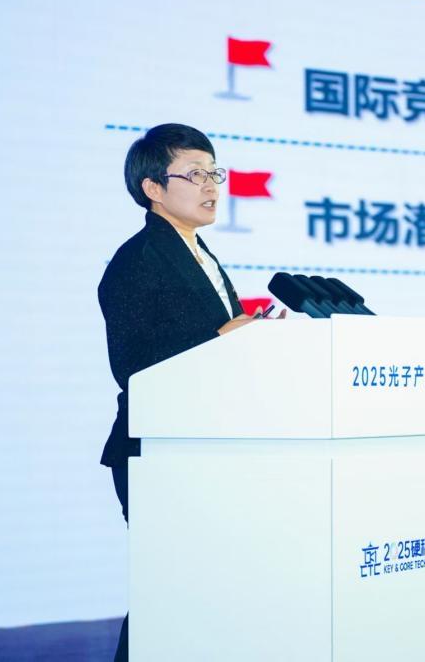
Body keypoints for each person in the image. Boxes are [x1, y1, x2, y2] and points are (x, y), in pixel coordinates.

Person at [97, 123, 284, 661]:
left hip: (207, 441)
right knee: (168, 590)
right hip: (157, 450)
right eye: (195, 174)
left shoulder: (200, 253)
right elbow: (132, 365)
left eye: (214, 173)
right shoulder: (136, 260)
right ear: (152, 188)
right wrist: (222, 337)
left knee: (199, 589)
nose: (211, 186)